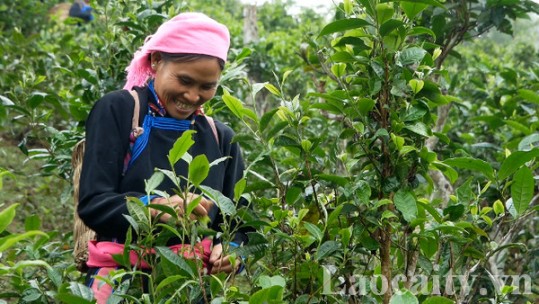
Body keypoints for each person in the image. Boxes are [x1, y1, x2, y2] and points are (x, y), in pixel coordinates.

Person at [77, 12, 248, 302]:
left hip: (193, 284)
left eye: (207, 86)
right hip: (121, 277)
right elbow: (94, 203)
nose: (193, 96)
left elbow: (241, 220)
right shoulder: (119, 110)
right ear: (156, 61)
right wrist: (154, 208)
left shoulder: (221, 138)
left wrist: (233, 249)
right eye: (184, 80)